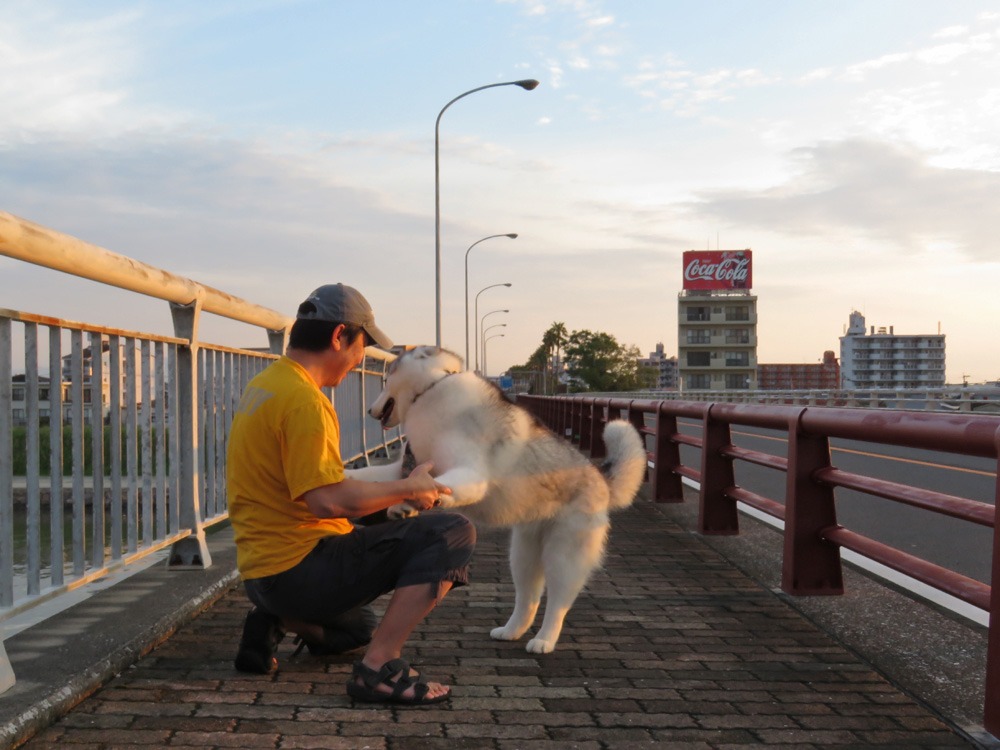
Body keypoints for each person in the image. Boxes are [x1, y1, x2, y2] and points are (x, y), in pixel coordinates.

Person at [226, 283, 476, 706]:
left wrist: (391, 495)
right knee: (450, 533)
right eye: (361, 345)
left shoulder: (267, 384)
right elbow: (326, 501)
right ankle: (379, 668)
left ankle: (275, 618)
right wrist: (410, 488)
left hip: (260, 572)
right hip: (297, 567)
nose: (360, 358)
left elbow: (319, 488)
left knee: (357, 629)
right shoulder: (305, 401)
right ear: (339, 336)